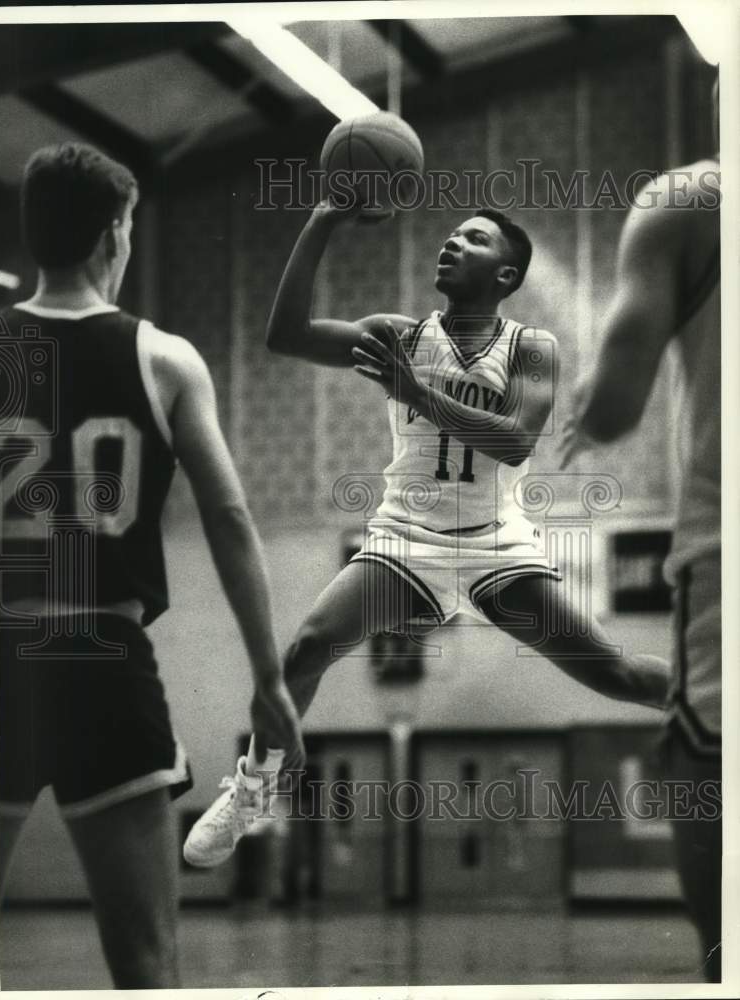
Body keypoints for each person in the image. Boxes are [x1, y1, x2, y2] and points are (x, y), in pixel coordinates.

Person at [184, 197, 670, 865]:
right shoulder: (398, 335)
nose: (450, 244)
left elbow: (514, 442)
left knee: (616, 674)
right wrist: (324, 217)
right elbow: (286, 335)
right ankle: (252, 791)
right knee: (306, 648)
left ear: (504, 275)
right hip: (406, 538)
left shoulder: (530, 347)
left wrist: (419, 397)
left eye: (471, 239)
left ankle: (707, 702)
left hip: (494, 540)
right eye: (449, 236)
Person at [0, 142, 304, 989]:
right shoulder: (163, 357)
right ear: (111, 239)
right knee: (145, 959)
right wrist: (269, 675)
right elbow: (232, 517)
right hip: (105, 661)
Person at [560, 82, 721, 982]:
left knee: (712, 769)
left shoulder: (688, 201)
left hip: (726, 559)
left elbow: (616, 406)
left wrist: (584, 406)